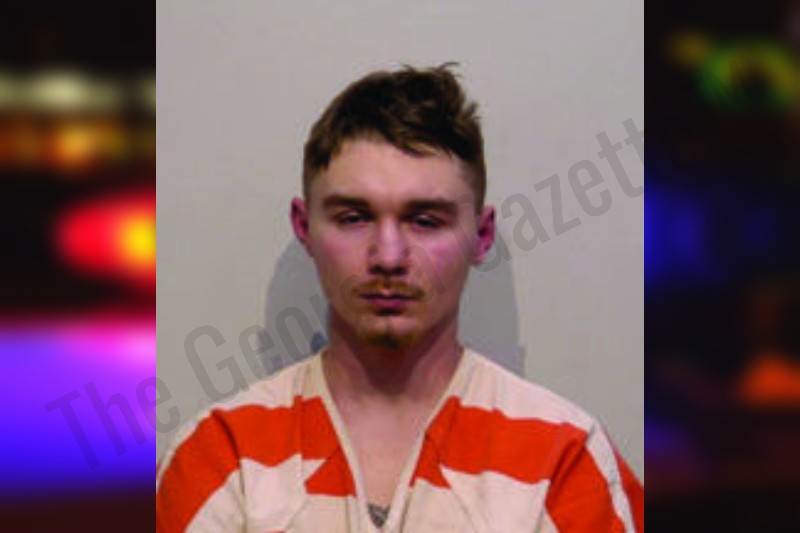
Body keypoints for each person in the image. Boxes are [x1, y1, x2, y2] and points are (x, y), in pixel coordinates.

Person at [156, 64, 643, 532]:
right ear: (304, 227)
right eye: (353, 218)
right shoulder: (222, 456)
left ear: (482, 235)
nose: (388, 256)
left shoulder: (567, 459)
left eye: (425, 221)